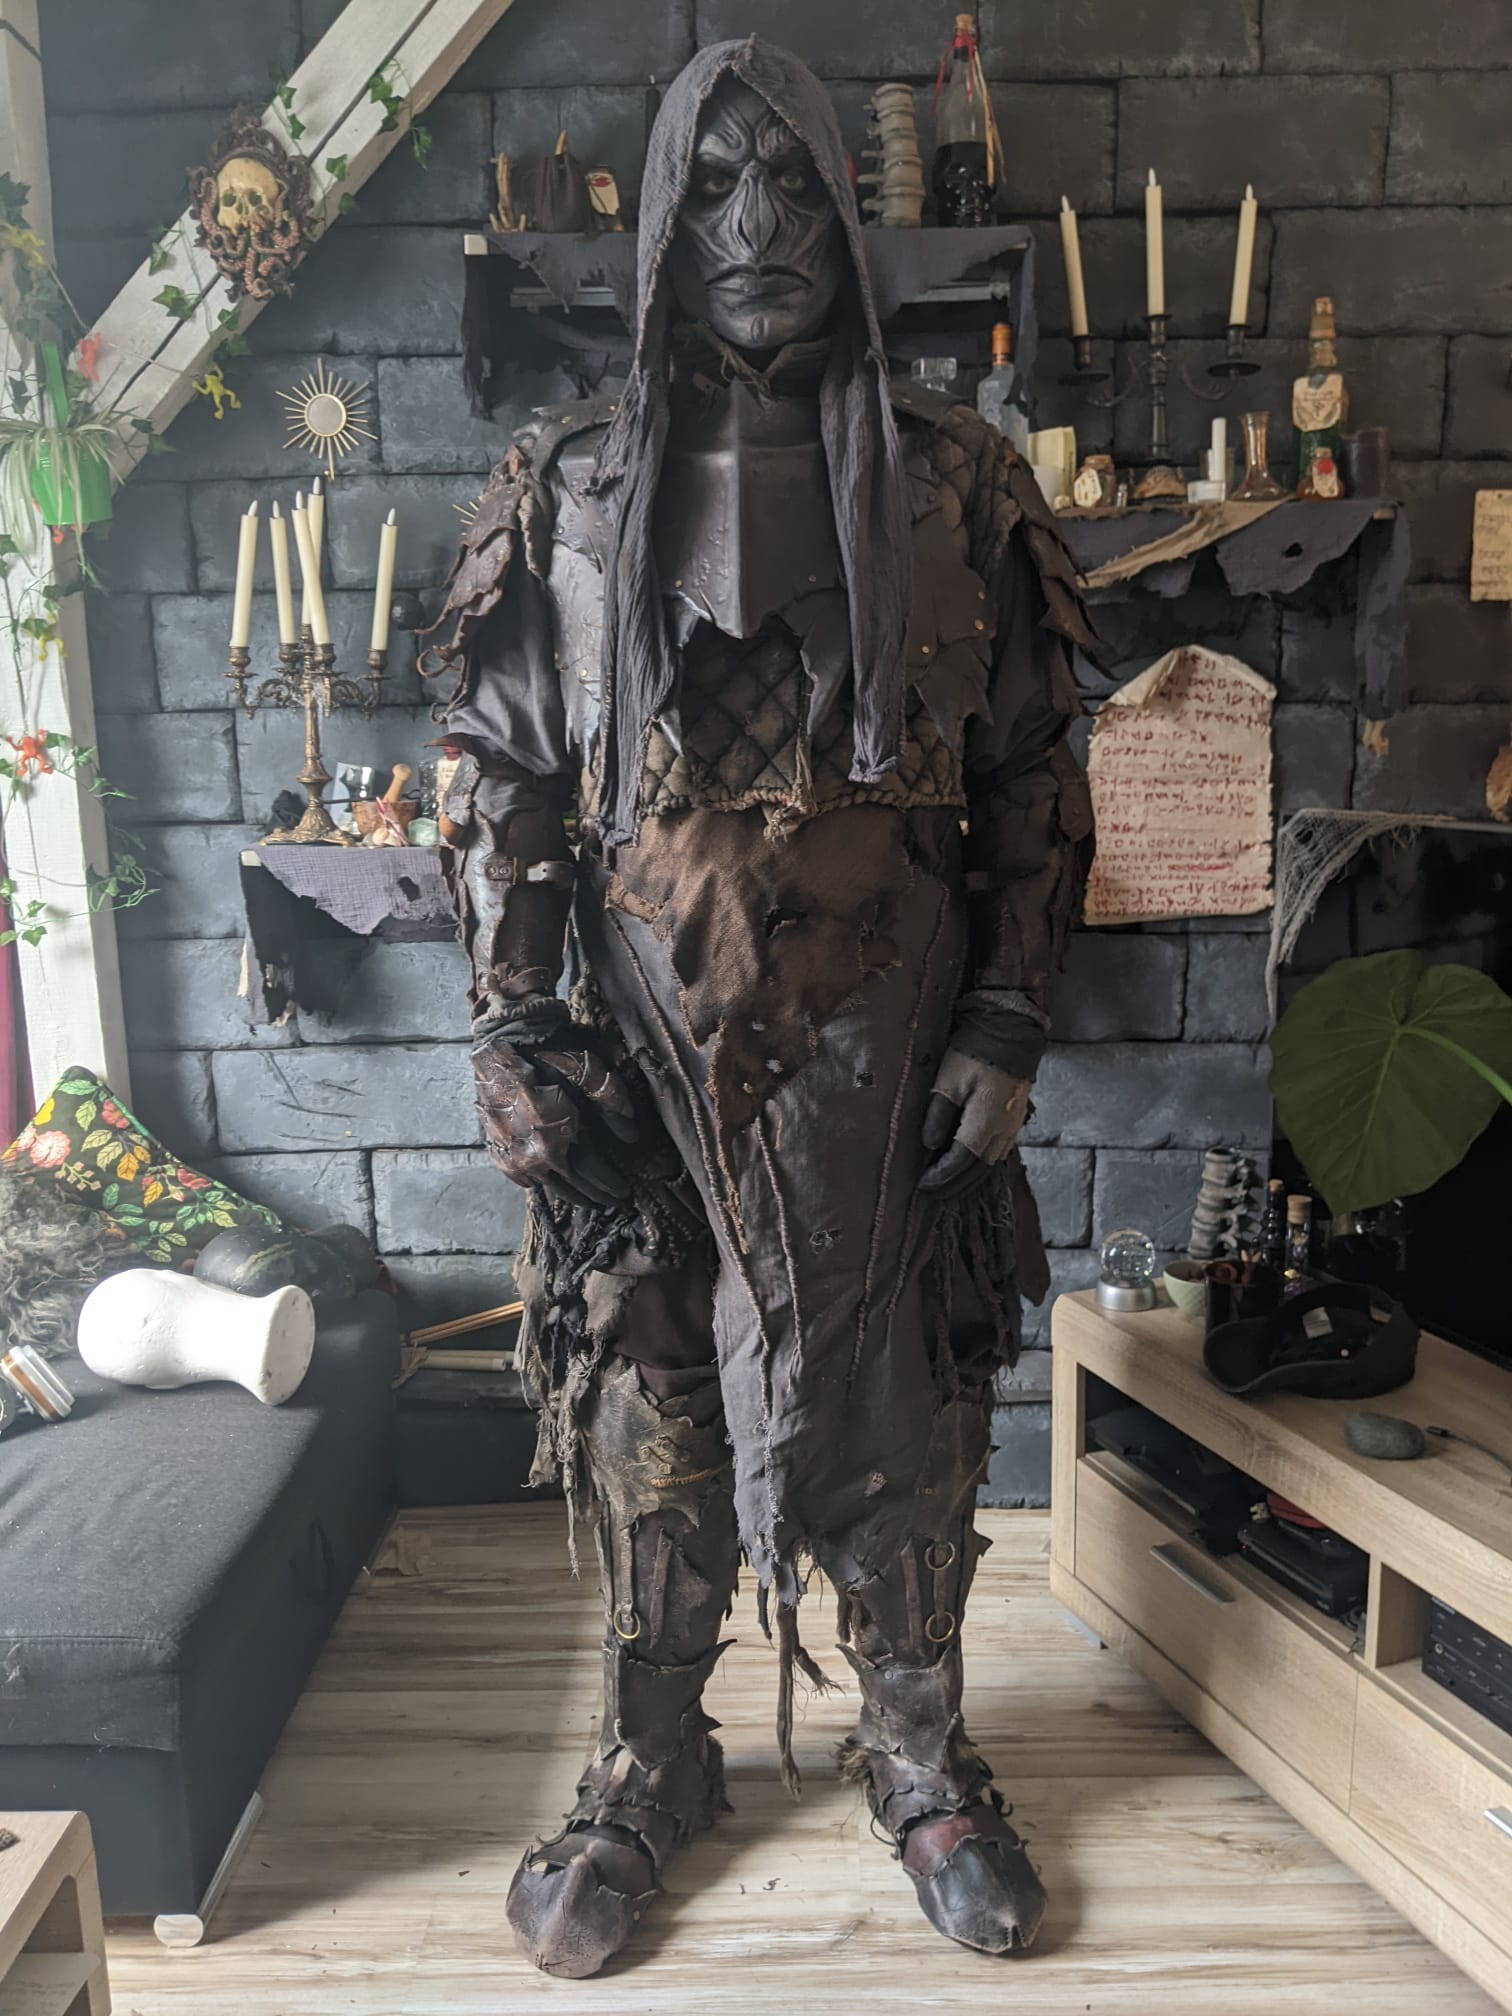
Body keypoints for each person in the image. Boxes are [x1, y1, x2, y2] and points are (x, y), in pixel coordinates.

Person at [425, 36, 1095, 1979]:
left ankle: (921, 1759)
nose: (757, 225)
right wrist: (511, 1022)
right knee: (654, 1398)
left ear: (848, 215)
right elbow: (504, 777)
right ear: (661, 222)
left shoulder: (957, 480)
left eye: (795, 183)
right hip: (647, 1038)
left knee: (904, 1404)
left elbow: (1036, 771)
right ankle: (651, 1761)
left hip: (888, 1049)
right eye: (715, 186)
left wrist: (1008, 1019)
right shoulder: (566, 489)